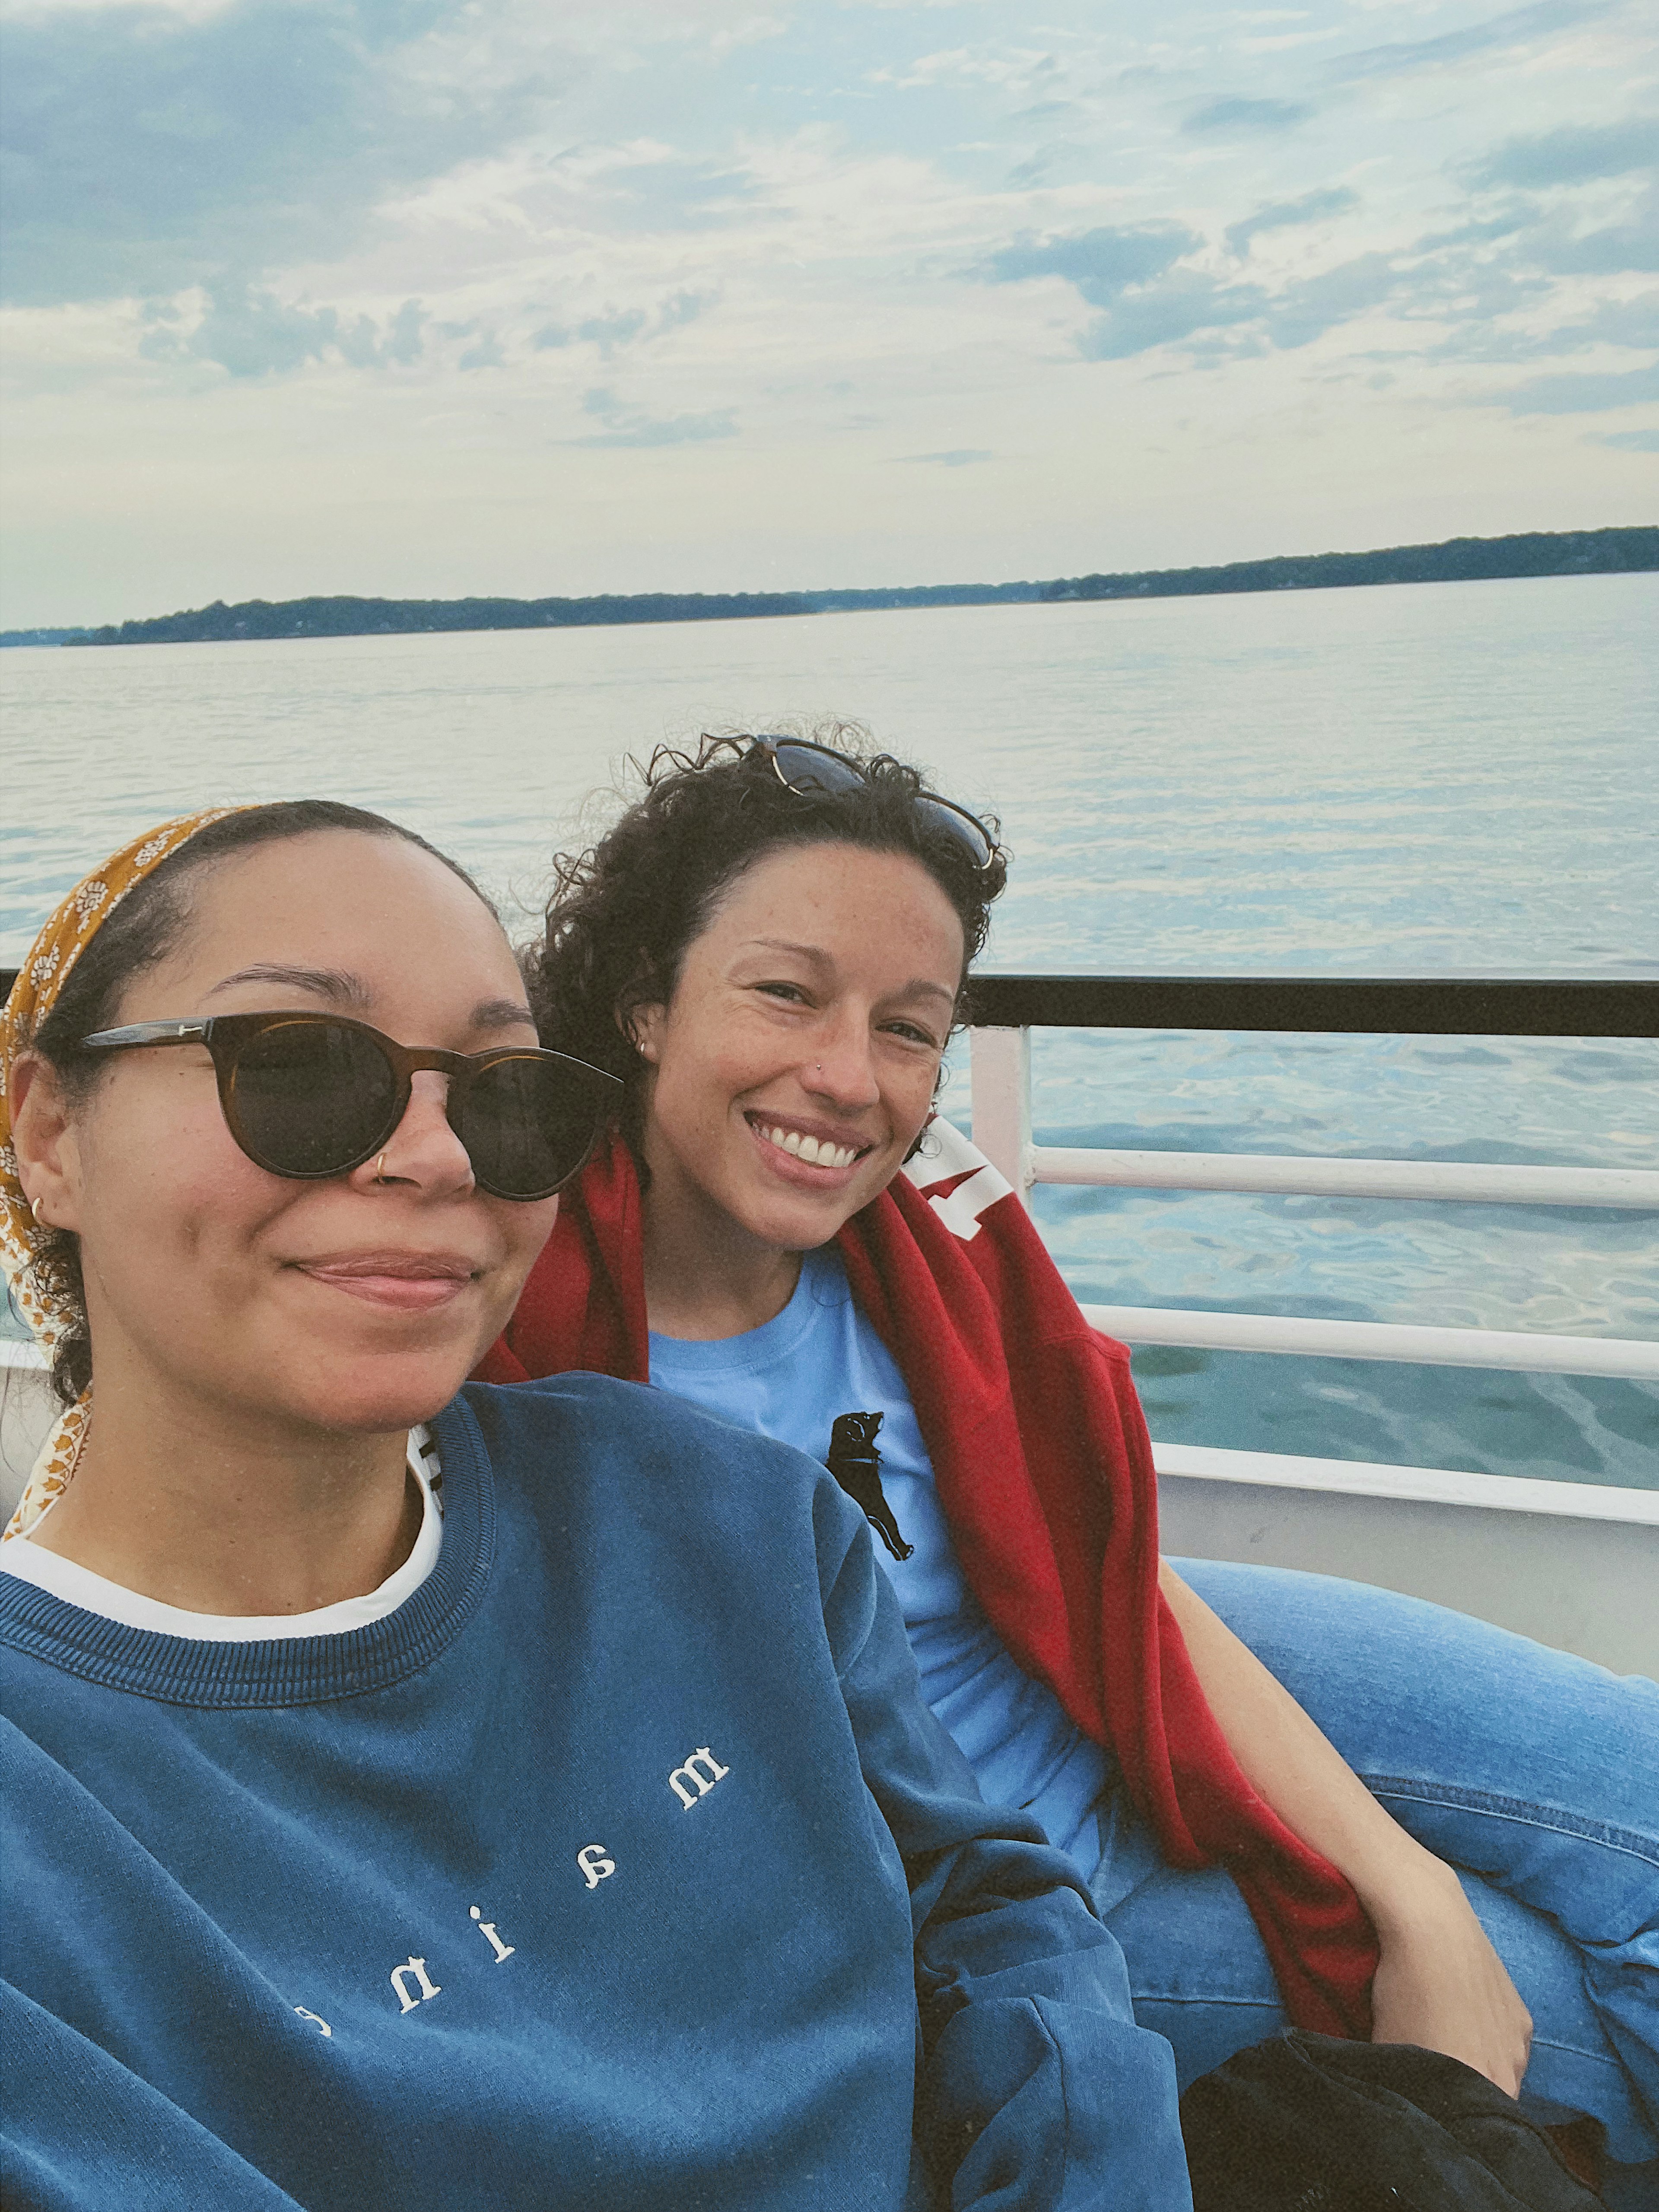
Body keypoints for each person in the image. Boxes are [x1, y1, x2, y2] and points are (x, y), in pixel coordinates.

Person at [483, 732, 1659, 2199]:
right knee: (1564, 2004)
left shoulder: (935, 1243)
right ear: (646, 1002)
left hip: (1097, 1662)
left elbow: (1101, 1567)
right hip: (995, 1900)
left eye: (909, 1027)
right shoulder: (503, 1328)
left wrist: (1408, 1890)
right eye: (784, 992)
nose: (847, 1076)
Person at [0, 801, 1194, 2212]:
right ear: (50, 1133)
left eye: (506, 1094)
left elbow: (987, 1908)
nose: (439, 1158)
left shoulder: (718, 1513)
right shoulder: (46, 1822)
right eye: (307, 1067)